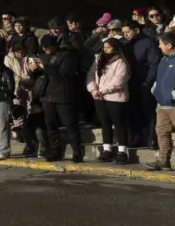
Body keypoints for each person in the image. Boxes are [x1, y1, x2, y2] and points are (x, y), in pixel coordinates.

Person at [37, 34, 83, 163]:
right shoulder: (44, 57)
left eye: (47, 47)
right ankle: (55, 151)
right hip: (48, 95)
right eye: (43, 47)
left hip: (63, 95)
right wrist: (35, 69)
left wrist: (46, 67)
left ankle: (77, 151)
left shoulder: (66, 56)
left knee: (70, 125)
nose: (45, 49)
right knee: (50, 125)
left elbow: (65, 74)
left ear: (54, 45)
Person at [86, 37, 131, 164]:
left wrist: (102, 90)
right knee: (104, 123)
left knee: (119, 124)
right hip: (99, 97)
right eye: (104, 47)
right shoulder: (98, 59)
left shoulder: (121, 62)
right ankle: (107, 149)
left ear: (115, 48)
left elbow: (119, 81)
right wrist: (93, 90)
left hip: (115, 98)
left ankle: (122, 150)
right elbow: (90, 75)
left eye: (108, 47)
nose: (105, 50)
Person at [122, 20, 161, 148]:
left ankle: (152, 138)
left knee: (148, 111)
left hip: (145, 82)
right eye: (124, 33)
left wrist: (148, 82)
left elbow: (154, 63)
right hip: (129, 83)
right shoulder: (124, 43)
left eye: (128, 32)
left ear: (136, 30)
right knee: (132, 111)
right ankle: (136, 137)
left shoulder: (148, 42)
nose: (125, 35)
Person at [145, 32, 175, 171]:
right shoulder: (163, 60)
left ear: (169, 45)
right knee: (162, 132)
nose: (159, 46)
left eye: (161, 44)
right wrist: (155, 90)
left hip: (173, 105)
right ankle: (163, 161)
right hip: (162, 104)